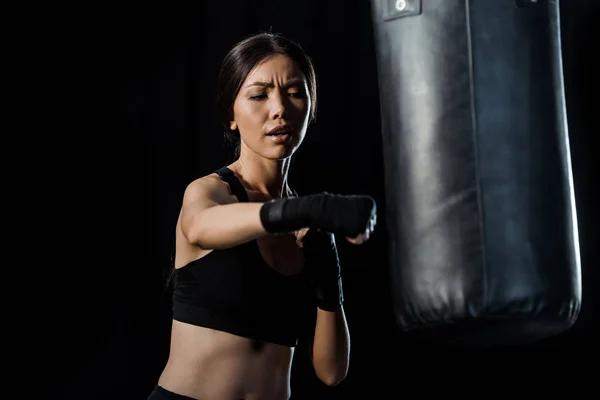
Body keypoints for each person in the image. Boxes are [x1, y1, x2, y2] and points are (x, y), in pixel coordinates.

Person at [148, 32, 377, 400]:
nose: (279, 110)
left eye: (294, 92)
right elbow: (200, 227)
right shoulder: (210, 192)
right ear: (231, 115)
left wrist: (328, 281)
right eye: (259, 95)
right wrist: (305, 208)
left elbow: (332, 372)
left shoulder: (306, 229)